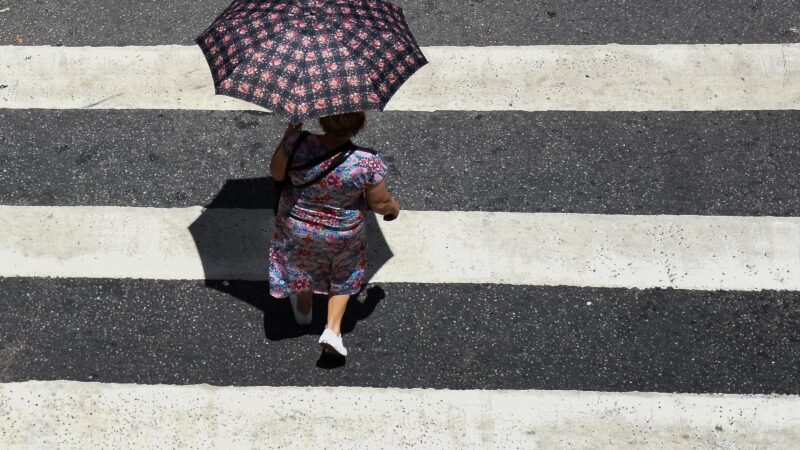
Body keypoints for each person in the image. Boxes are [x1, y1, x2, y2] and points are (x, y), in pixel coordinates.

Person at [269, 111, 400, 357]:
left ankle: (304, 309)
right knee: (344, 270)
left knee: (301, 264)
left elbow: (277, 174)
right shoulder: (366, 161)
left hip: (297, 225)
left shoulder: (297, 143)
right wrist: (394, 207)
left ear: (322, 119)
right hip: (342, 231)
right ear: (359, 123)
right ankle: (332, 329)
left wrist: (290, 133)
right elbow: (381, 204)